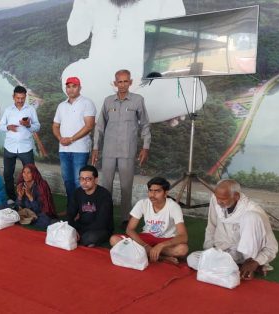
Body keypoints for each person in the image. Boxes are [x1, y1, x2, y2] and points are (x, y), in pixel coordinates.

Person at [61, 0, 205, 124]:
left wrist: (147, 79)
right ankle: (145, 111)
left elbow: (173, 40)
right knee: (71, 77)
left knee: (196, 90)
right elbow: (75, 37)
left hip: (144, 81)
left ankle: (119, 110)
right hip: (102, 79)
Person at [186, 180, 278, 280]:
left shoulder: (253, 211)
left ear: (236, 196)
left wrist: (256, 261)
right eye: (217, 197)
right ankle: (237, 268)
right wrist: (209, 251)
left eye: (223, 199)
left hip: (247, 255)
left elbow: (271, 247)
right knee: (192, 259)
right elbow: (211, 225)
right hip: (225, 253)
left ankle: (248, 265)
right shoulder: (216, 199)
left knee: (250, 217)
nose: (218, 202)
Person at [92, 69, 150, 227]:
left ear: (130, 82)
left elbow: (145, 124)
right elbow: (99, 126)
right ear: (115, 83)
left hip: (127, 151)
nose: (122, 84)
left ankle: (126, 218)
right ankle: (105, 216)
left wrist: (145, 147)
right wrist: (95, 148)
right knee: (106, 186)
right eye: (120, 81)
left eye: (126, 81)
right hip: (109, 150)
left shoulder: (138, 100)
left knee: (126, 186)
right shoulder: (108, 101)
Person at [109, 177, 188, 264]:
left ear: (165, 193)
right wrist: (145, 246)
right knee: (114, 239)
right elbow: (130, 229)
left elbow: (183, 236)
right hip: (147, 238)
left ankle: (146, 253)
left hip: (166, 239)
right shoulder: (142, 203)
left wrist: (161, 245)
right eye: (150, 190)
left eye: (157, 191)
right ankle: (162, 257)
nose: (152, 195)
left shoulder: (173, 206)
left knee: (182, 249)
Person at [52, 77, 96, 196]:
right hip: (63, 149)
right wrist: (60, 138)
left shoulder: (87, 103)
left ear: (80, 88)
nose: (71, 89)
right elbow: (55, 126)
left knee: (80, 182)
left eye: (74, 86)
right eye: (68, 86)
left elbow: (89, 126)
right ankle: (72, 209)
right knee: (68, 181)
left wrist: (71, 139)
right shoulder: (61, 106)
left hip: (80, 150)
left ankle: (81, 210)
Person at [0, 85, 40, 199]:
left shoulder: (31, 109)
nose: (20, 100)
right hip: (9, 147)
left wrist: (28, 125)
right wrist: (8, 127)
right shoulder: (8, 110)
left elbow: (37, 127)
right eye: (18, 98)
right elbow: (1, 126)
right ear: (13, 97)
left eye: (22, 98)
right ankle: (11, 198)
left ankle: (30, 199)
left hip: (25, 148)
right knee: (7, 174)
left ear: (25, 97)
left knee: (31, 175)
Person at [67, 165, 114, 247]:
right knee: (55, 223)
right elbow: (70, 213)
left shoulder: (104, 195)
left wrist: (77, 232)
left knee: (89, 238)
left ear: (96, 180)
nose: (84, 182)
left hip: (100, 229)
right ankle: (81, 240)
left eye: (88, 179)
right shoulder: (77, 193)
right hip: (81, 225)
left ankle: (83, 240)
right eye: (81, 179)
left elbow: (102, 222)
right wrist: (72, 229)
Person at [14, 163, 57, 228]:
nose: (25, 175)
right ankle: (28, 220)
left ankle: (29, 220)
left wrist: (30, 196)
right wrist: (20, 197)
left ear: (34, 173)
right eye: (24, 172)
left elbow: (40, 209)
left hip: (38, 214)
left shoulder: (41, 185)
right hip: (26, 213)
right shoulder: (21, 184)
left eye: (29, 173)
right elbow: (18, 207)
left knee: (45, 219)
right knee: (6, 209)